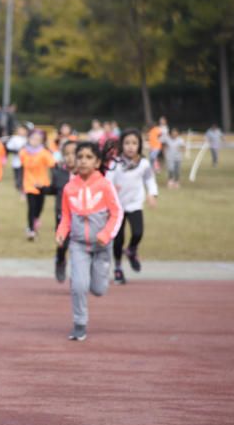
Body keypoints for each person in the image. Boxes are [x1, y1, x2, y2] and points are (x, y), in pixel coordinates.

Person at [55, 141, 123, 341]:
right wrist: (61, 233)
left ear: (97, 162)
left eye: (88, 157)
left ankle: (101, 270)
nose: (83, 161)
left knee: (99, 290)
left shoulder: (104, 185)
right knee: (78, 286)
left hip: (102, 246)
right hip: (78, 245)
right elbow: (66, 217)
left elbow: (117, 213)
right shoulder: (69, 188)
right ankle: (79, 323)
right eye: (80, 157)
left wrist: (106, 234)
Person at [107, 129, 158, 284]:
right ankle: (118, 268)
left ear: (139, 145)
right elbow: (107, 181)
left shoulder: (144, 164)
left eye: (134, 143)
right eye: (127, 143)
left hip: (135, 204)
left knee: (137, 232)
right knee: (118, 239)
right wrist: (111, 189)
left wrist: (152, 194)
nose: (130, 147)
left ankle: (131, 250)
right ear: (121, 145)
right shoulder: (115, 163)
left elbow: (150, 180)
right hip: (118, 206)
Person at [45, 139, 77, 283]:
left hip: (81, 215)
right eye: (67, 154)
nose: (70, 157)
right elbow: (53, 189)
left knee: (78, 247)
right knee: (63, 244)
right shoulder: (59, 173)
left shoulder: (87, 174)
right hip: (63, 214)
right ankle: (60, 260)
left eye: (74, 153)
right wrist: (42, 189)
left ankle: (77, 275)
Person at [20, 129, 56, 241]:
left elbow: (52, 164)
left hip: (42, 184)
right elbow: (22, 168)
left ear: (41, 141)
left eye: (37, 139)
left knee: (39, 207)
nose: (35, 141)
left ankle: (35, 221)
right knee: (31, 207)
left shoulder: (44, 153)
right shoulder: (23, 152)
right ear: (29, 139)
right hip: (29, 184)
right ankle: (31, 229)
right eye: (33, 138)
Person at [6, 124, 28, 197]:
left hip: (26, 162)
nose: (21, 131)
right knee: (18, 178)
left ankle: (24, 191)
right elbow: (8, 148)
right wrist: (17, 151)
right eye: (19, 129)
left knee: (24, 177)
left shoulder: (28, 138)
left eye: (22, 130)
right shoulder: (14, 138)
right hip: (17, 162)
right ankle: (20, 188)